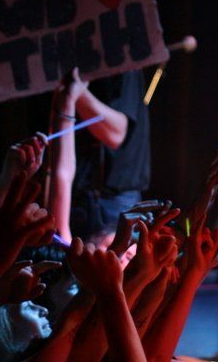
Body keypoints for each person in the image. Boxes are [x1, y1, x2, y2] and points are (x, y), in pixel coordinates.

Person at [50, 67, 150, 243]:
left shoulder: (123, 67)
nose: (129, 254)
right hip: (80, 198)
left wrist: (74, 96)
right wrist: (69, 99)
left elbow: (116, 135)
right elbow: (62, 174)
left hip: (113, 199)